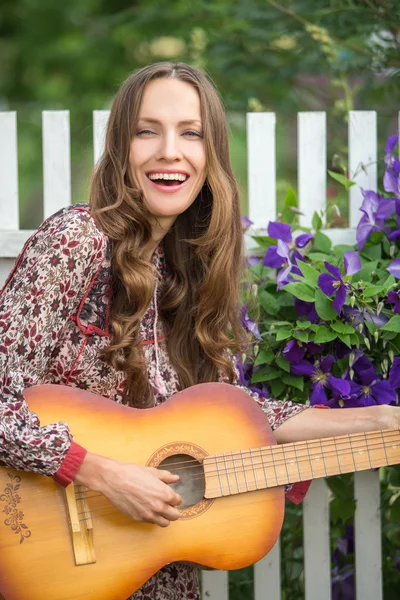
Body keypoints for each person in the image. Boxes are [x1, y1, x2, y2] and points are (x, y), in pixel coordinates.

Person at [0, 62, 398, 600]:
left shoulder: (190, 272)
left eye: (191, 133)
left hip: (158, 575)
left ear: (210, 157)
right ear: (121, 149)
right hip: (56, 566)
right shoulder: (78, 238)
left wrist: (378, 418)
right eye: (147, 131)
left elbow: (246, 415)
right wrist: (99, 472)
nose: (170, 151)